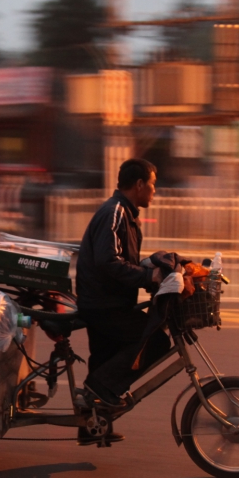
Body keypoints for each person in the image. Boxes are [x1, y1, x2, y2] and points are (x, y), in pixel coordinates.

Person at [75, 159, 172, 434]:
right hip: (104, 304)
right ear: (139, 185)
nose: (155, 190)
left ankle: (92, 425)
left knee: (105, 360)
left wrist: (148, 269)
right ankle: (99, 390)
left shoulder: (124, 213)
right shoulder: (115, 212)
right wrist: (147, 277)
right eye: (153, 184)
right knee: (156, 340)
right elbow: (108, 261)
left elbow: (121, 260)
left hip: (108, 301)